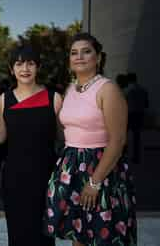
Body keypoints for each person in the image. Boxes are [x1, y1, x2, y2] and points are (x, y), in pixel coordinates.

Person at [44, 33, 137, 246]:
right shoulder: (70, 89)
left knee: (102, 233)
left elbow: (118, 140)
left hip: (100, 169)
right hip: (72, 167)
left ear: (99, 58)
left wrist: (94, 182)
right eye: (74, 53)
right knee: (80, 234)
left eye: (86, 51)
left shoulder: (108, 89)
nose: (79, 57)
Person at [0, 44, 61, 246]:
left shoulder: (54, 99)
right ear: (12, 69)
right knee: (18, 234)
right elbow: (0, 137)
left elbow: (64, 139)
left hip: (46, 177)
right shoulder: (5, 99)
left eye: (30, 63)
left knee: (44, 236)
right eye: (19, 64)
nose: (25, 69)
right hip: (14, 179)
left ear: (38, 66)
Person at [126, 72, 148, 164]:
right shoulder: (143, 90)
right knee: (136, 137)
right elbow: (146, 104)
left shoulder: (129, 90)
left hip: (130, 114)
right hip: (139, 114)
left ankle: (123, 154)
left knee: (124, 135)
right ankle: (136, 157)